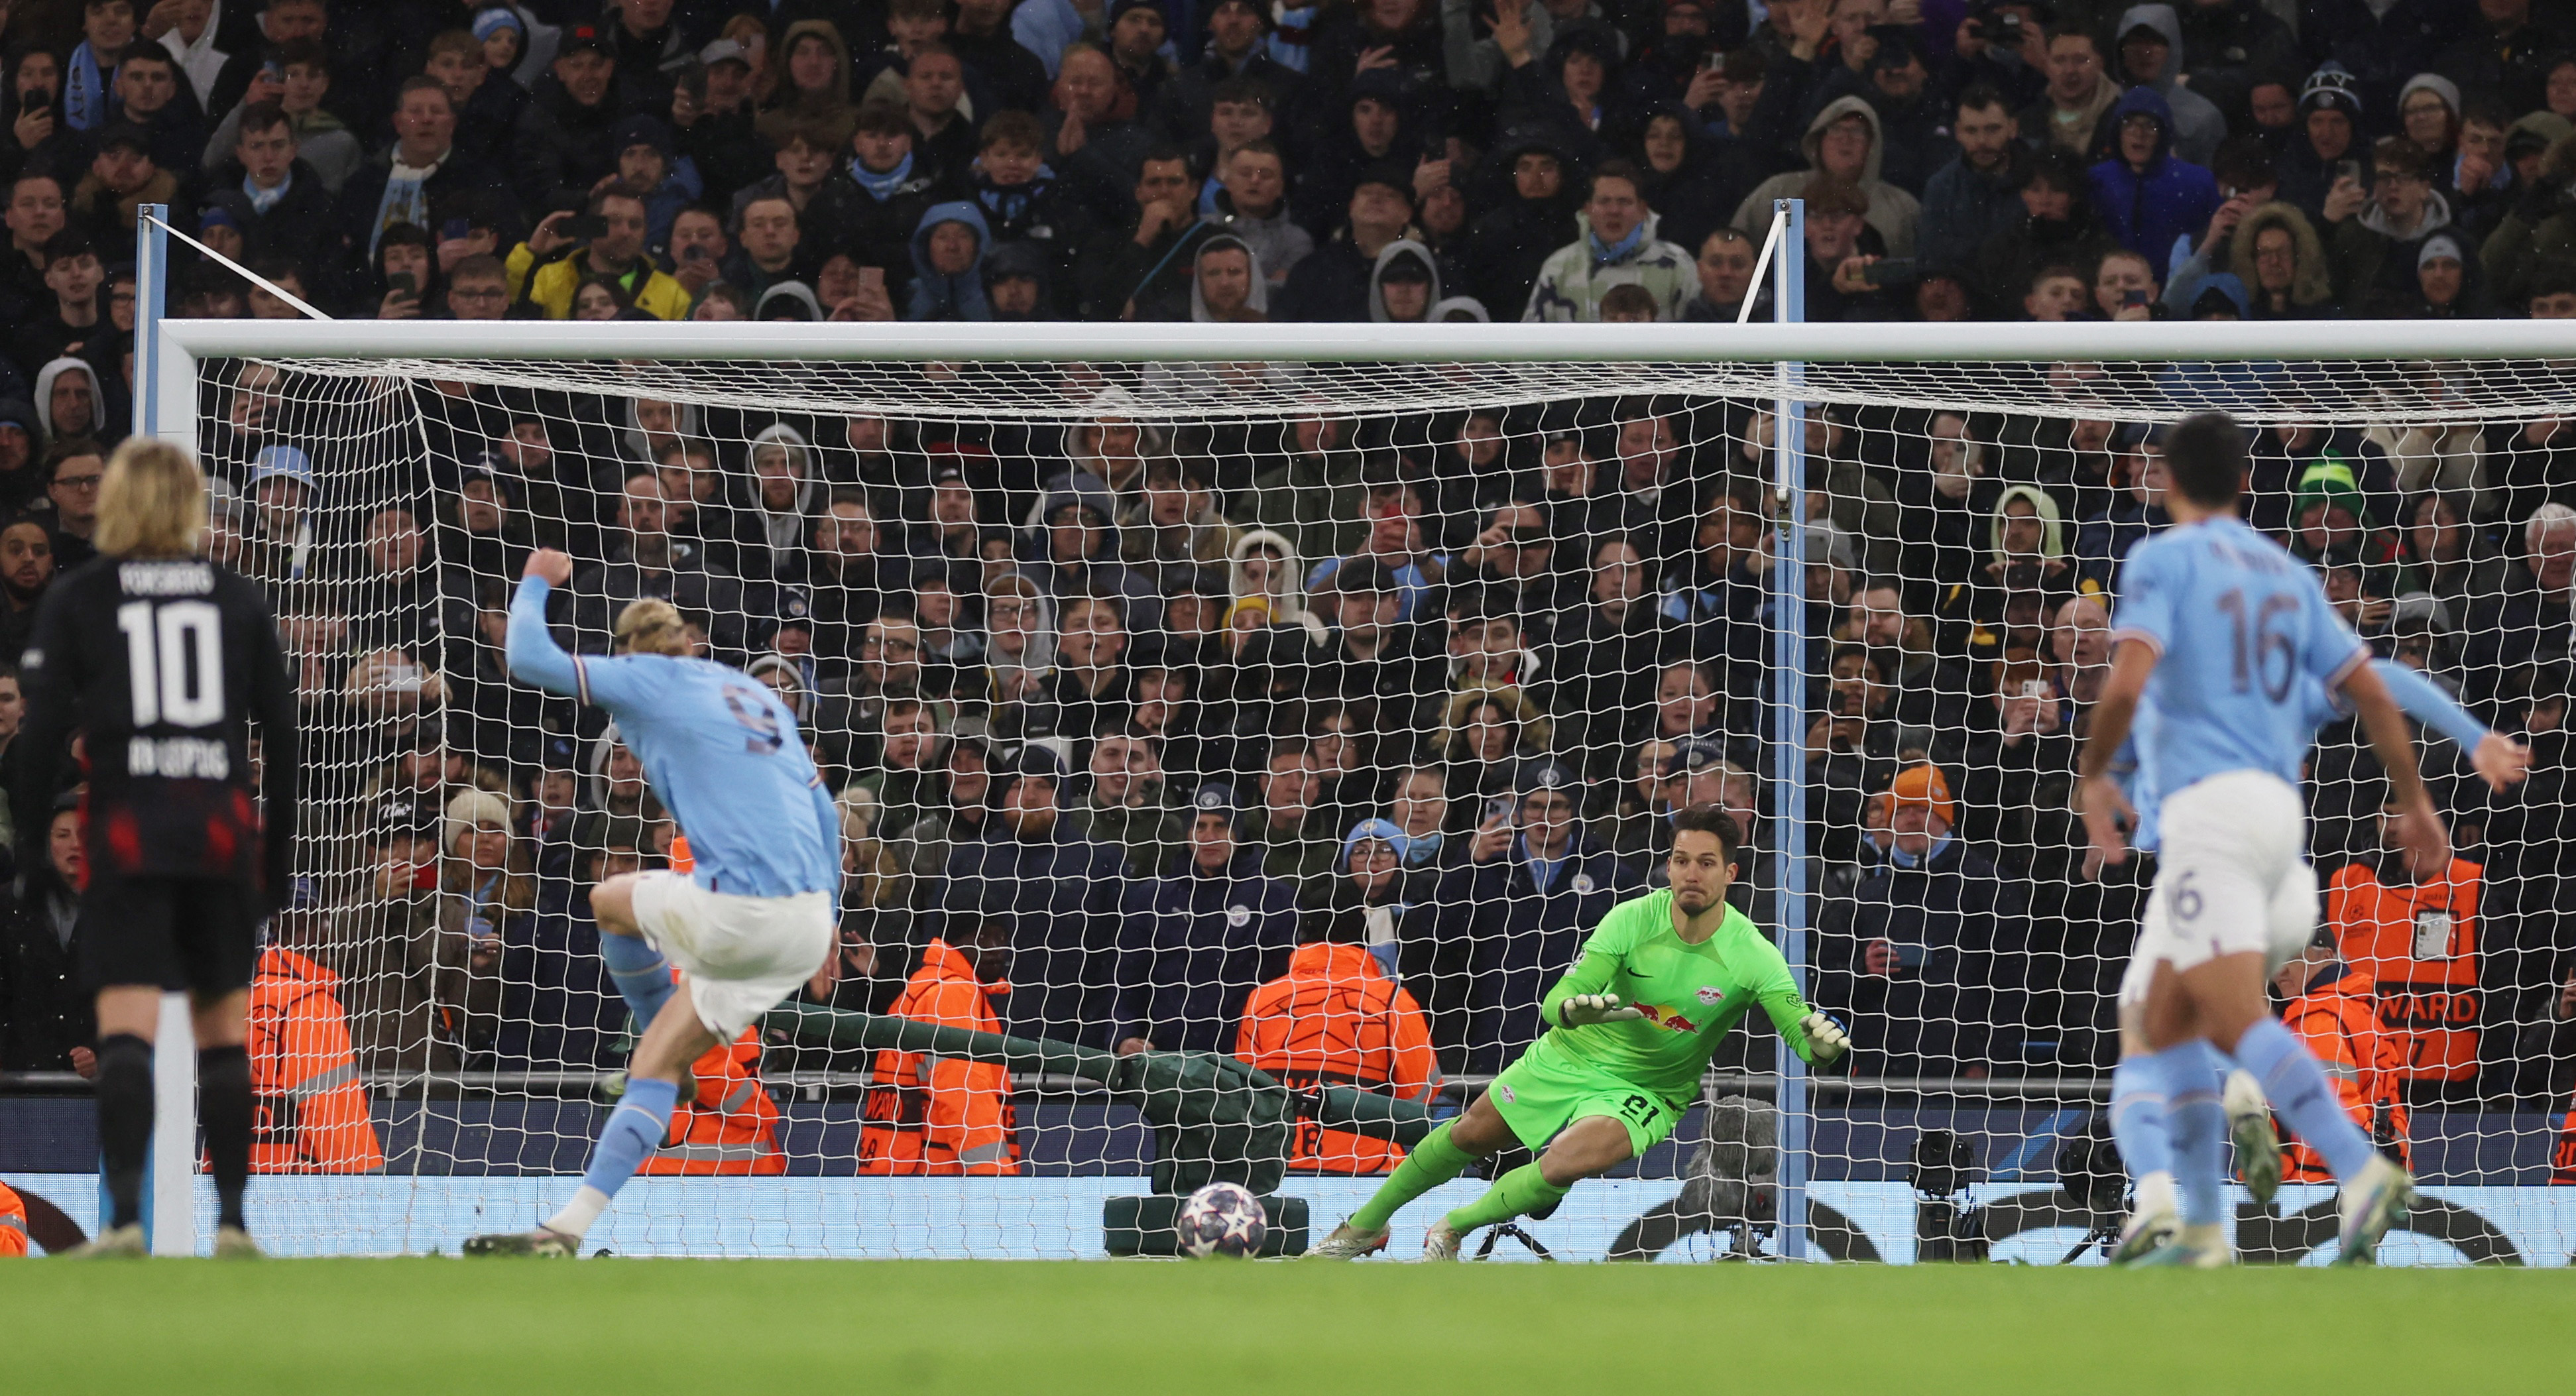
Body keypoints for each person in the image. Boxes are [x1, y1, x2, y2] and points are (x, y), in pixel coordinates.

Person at [2074, 410, 2442, 1268]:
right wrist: (2414, 797)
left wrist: (2094, 772)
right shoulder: (2286, 573)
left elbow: (2126, 679)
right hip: (2279, 814)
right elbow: (2372, 690)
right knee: (2156, 1021)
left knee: (2232, 1018)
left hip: (2210, 815)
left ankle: (2359, 1169)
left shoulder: (2160, 560)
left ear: (2164, 480)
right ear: (2246, 480)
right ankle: (2198, 1221)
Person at [463, 546, 839, 1257]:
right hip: (805, 923)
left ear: (632, 653)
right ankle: (564, 1230)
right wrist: (833, 929)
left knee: (608, 897)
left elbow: (528, 658)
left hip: (741, 912)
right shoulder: (759, 697)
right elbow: (823, 821)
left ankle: (649, 1027)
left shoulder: (647, 680)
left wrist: (539, 580)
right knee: (658, 1065)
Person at [1308, 806, 1849, 1259]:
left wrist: (1822, 1045)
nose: (1691, 873)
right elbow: (1556, 1003)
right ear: (1668, 865)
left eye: (1706, 863)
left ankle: (1454, 1227)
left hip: (1648, 1087)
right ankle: (1364, 1227)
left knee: (1570, 1160)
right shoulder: (1631, 919)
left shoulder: (1753, 954)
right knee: (1471, 1134)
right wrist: (1575, 1012)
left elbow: (1802, 1036)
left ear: (1729, 874)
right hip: (1573, 1054)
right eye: (1682, 860)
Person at [11, 439, 298, 1258]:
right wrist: (277, 855)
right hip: (218, 835)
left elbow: (36, 738)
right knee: (221, 1035)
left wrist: (33, 851)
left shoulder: (81, 596)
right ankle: (237, 1225)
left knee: (128, 1032)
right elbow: (281, 731)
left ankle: (128, 1222)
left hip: (130, 835)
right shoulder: (235, 597)